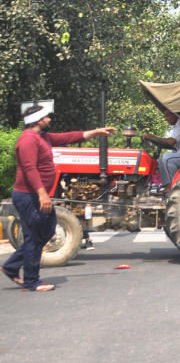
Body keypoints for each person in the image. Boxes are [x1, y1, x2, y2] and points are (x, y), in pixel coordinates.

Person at [3, 105, 115, 292]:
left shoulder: (43, 137)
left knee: (46, 232)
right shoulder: (28, 140)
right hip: (30, 196)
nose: (49, 119)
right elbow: (30, 169)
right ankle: (31, 281)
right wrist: (42, 193)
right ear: (38, 120)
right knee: (34, 237)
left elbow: (68, 137)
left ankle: (12, 266)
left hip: (37, 195)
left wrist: (96, 132)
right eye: (46, 117)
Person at [143, 109, 180, 188]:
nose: (165, 118)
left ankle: (172, 186)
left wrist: (153, 137)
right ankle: (164, 185)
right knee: (160, 161)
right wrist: (154, 140)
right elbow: (169, 144)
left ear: (175, 114)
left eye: (167, 115)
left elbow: (170, 142)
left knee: (167, 158)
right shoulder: (177, 124)